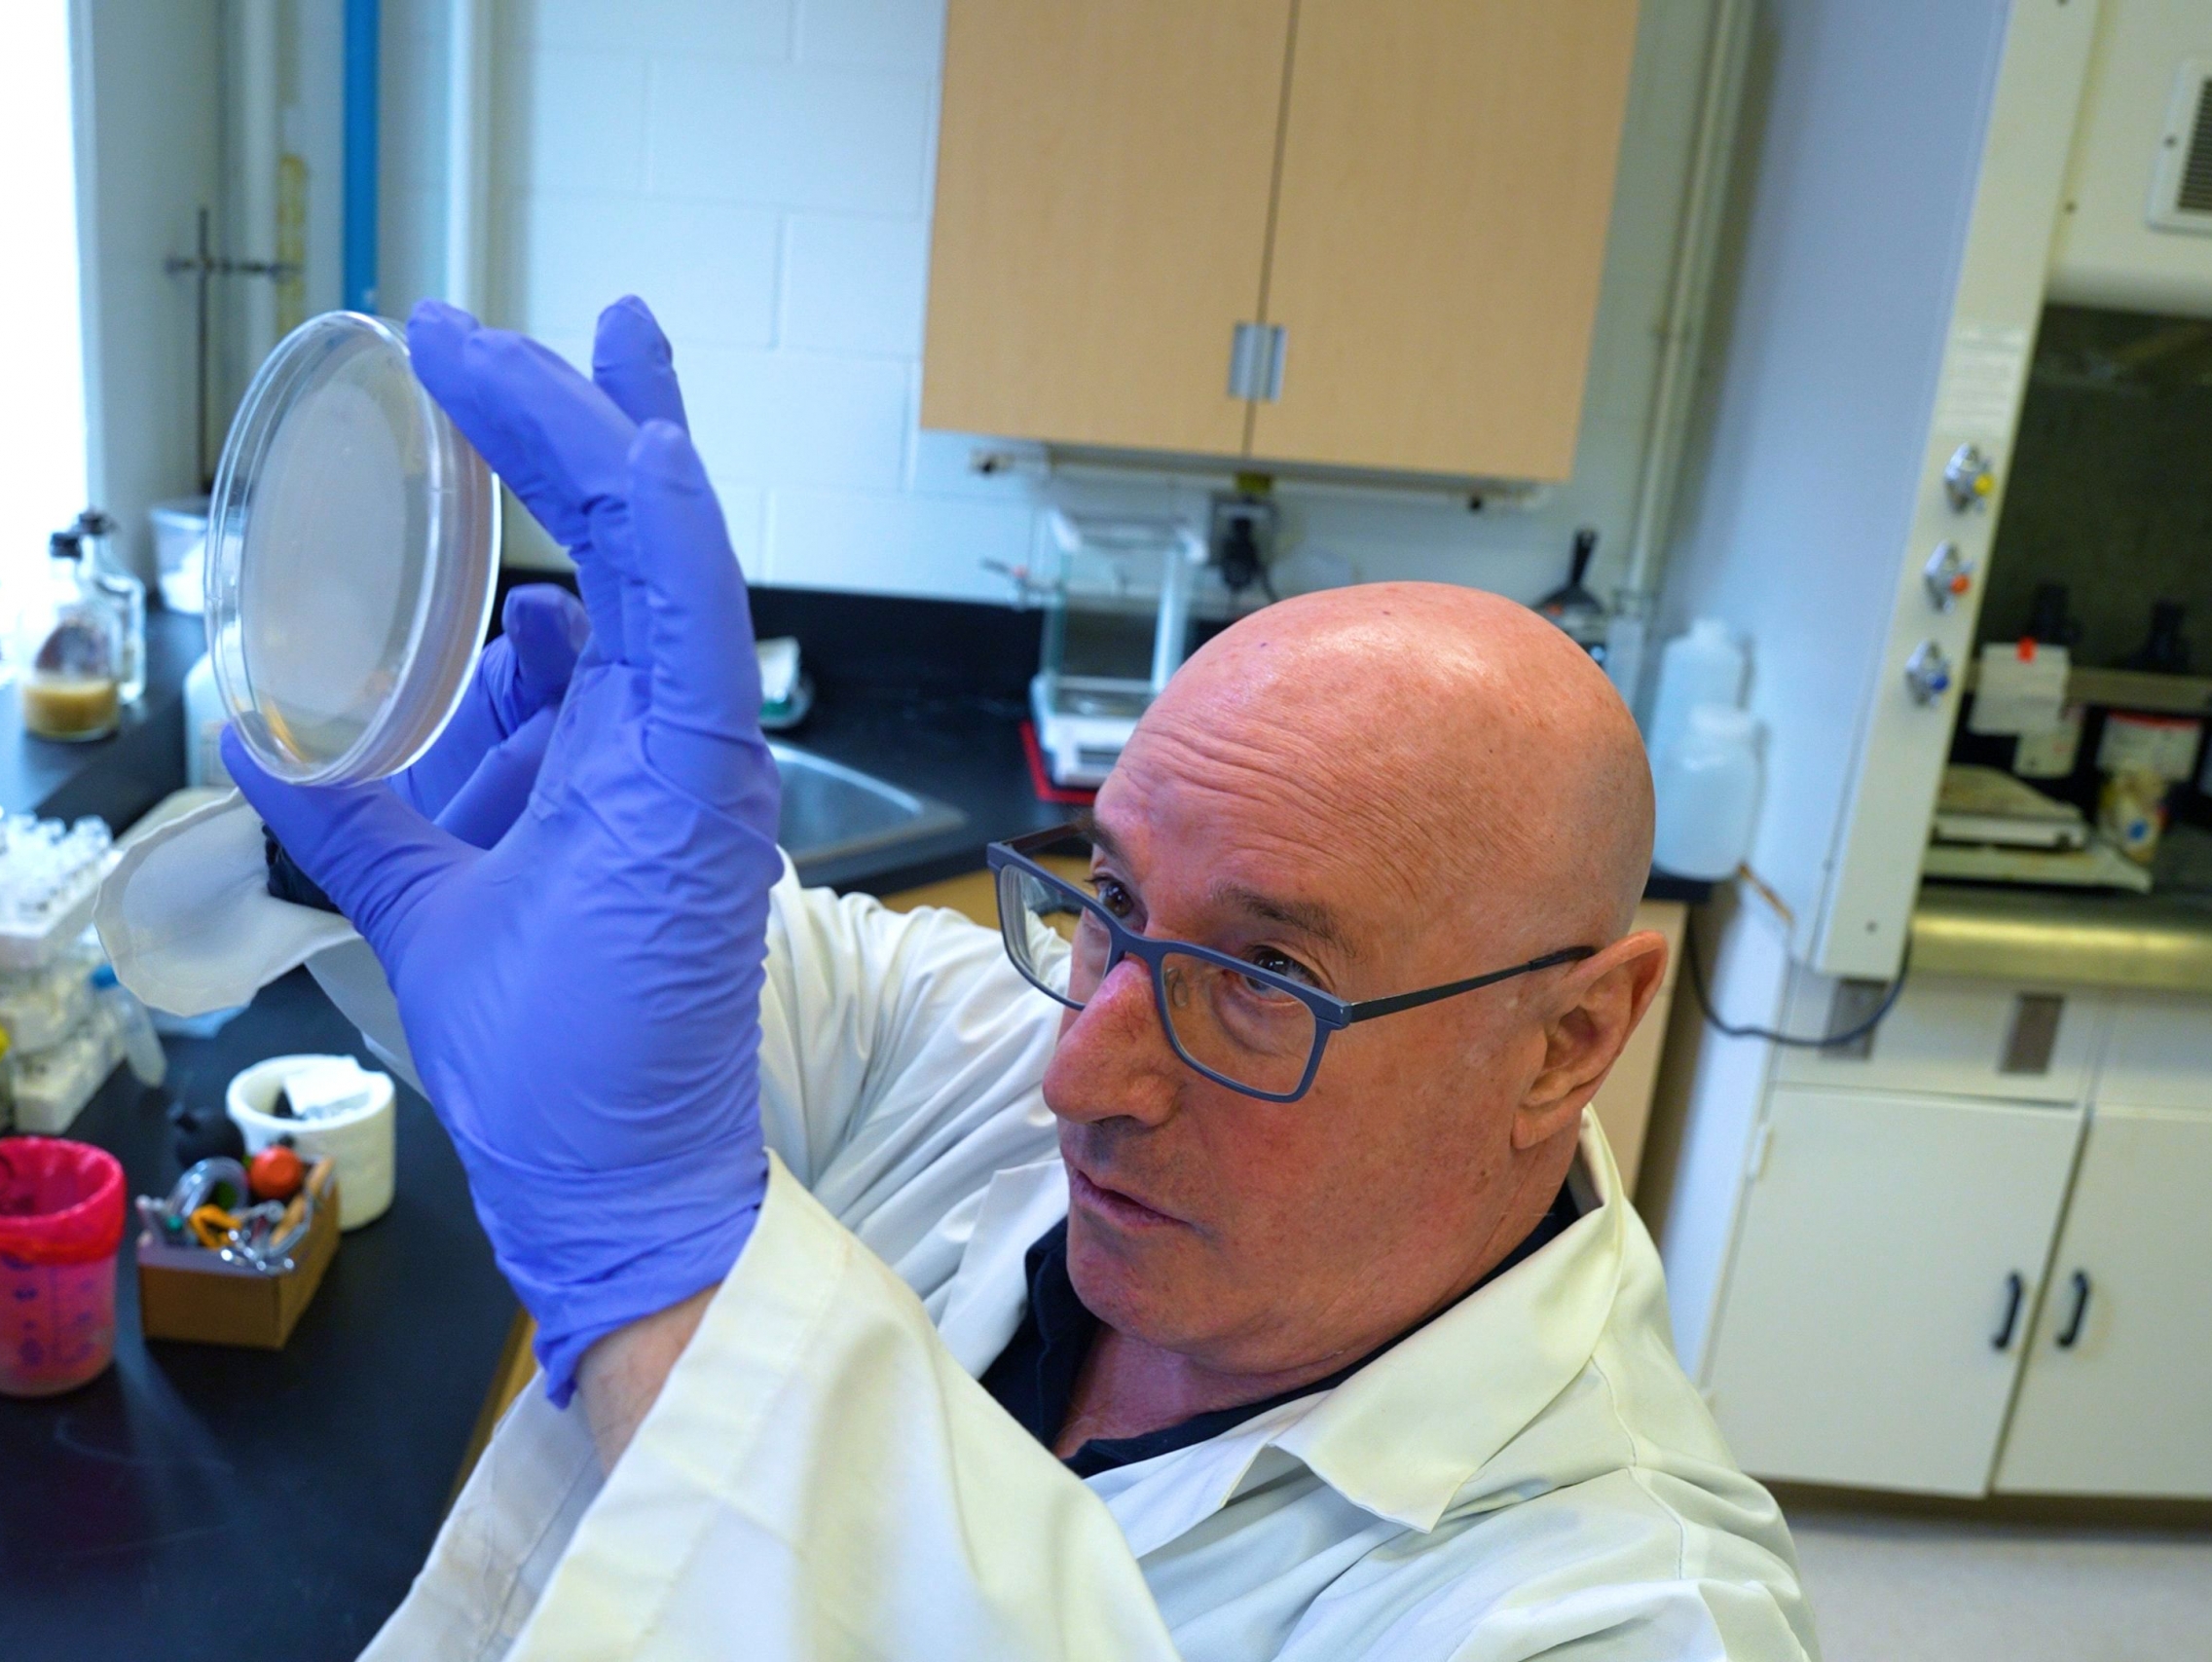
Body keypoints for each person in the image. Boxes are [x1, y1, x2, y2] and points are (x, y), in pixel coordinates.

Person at [227, 297, 1817, 1660]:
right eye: (1114, 903)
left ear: (1569, 1038)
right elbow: (651, 1010)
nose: (1085, 1073)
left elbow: (636, 1151)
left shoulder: (1621, 1613)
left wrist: (659, 1269)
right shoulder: (980, 1045)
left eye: (1268, 974)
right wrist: (522, 872)